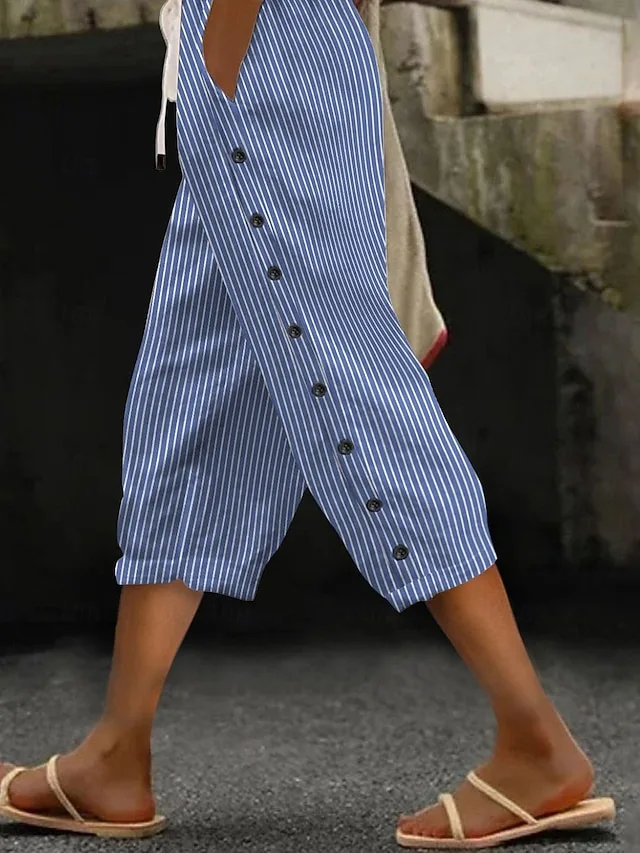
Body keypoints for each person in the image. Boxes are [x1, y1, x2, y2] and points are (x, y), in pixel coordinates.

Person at [0, 0, 615, 847]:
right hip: (256, 51)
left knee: (352, 393)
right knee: (186, 407)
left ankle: (537, 740)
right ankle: (115, 753)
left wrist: (226, 45)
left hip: (265, 47)